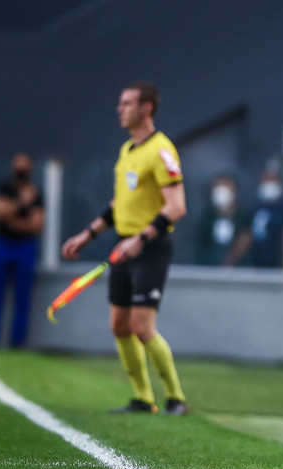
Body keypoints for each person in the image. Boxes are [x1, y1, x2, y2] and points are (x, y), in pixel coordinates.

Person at [61, 82, 189, 416]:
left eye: (127, 103)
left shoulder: (161, 150)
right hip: (124, 245)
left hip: (150, 247)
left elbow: (176, 206)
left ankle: (176, 398)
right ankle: (143, 399)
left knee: (142, 327)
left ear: (147, 108)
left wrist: (140, 239)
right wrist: (88, 234)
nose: (120, 109)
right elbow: (120, 202)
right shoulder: (127, 151)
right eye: (121, 103)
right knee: (119, 326)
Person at [0, 152, 45, 347]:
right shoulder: (5, 188)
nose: (21, 171)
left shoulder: (36, 192)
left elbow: (36, 225)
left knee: (23, 295)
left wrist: (10, 219)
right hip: (3, 244)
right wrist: (21, 203)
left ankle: (17, 341)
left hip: (25, 247)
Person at [227, 170, 283, 268]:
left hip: (278, 265)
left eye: (272, 180)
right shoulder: (256, 208)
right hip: (256, 265)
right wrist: (230, 261)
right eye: (265, 180)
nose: (268, 184)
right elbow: (246, 236)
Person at [195, 173, 250, 266]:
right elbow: (199, 248)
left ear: (234, 190)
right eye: (218, 186)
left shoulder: (243, 218)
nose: (222, 190)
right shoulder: (206, 219)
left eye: (226, 185)